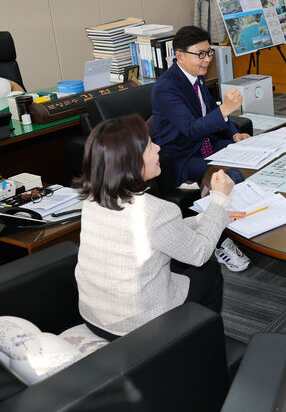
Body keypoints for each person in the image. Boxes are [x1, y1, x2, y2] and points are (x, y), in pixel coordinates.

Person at [74, 115, 241, 341]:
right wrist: (219, 201)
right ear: (132, 160)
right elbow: (199, 253)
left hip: (94, 317)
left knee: (177, 264)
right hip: (138, 325)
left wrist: (206, 218)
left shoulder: (93, 198)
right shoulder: (155, 210)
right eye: (150, 145)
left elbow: (159, 234)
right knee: (209, 272)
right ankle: (202, 343)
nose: (158, 148)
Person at [151, 25, 251, 271]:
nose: (207, 59)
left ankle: (244, 225)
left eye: (209, 53)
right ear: (180, 55)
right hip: (181, 155)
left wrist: (234, 133)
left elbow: (211, 111)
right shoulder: (166, 87)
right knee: (224, 176)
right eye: (201, 54)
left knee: (251, 157)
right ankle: (218, 241)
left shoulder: (196, 77)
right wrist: (226, 109)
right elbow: (190, 129)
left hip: (206, 145)